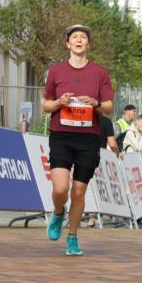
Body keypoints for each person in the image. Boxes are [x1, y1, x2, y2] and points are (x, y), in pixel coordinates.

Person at [42, 24, 114, 256]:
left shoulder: (99, 72)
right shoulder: (56, 71)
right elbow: (46, 105)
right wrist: (58, 102)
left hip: (88, 138)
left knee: (79, 192)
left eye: (83, 37)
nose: (79, 40)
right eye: (75, 37)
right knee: (61, 188)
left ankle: (72, 237)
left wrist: (95, 103)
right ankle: (58, 212)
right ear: (68, 43)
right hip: (61, 135)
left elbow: (109, 108)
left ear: (88, 44)